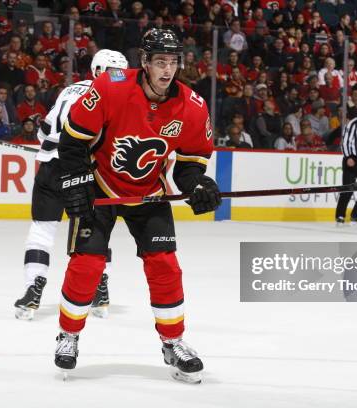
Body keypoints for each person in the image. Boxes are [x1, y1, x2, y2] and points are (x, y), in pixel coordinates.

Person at [53, 29, 220, 384]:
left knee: (166, 267)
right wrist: (76, 180)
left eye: (173, 62)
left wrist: (198, 186)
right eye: (160, 61)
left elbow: (190, 164)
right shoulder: (111, 85)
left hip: (148, 194)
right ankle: (69, 334)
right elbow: (73, 140)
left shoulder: (191, 106)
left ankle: (172, 342)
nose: (167, 69)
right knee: (88, 265)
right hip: (102, 188)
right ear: (144, 62)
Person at [13, 49, 129, 321]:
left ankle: (32, 291)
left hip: (51, 168)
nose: (120, 78)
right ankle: (100, 291)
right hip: (84, 172)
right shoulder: (114, 97)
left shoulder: (68, 90)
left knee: (41, 231)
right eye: (116, 73)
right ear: (101, 71)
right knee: (95, 233)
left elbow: (44, 132)